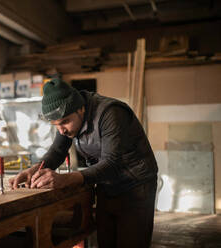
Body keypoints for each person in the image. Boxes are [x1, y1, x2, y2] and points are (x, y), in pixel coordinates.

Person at [9, 78, 158, 248]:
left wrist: (64, 179)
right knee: (106, 241)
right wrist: (34, 169)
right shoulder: (66, 118)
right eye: (55, 125)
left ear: (81, 109)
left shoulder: (111, 113)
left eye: (64, 122)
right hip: (107, 184)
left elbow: (111, 163)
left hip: (136, 186)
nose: (61, 130)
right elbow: (58, 150)